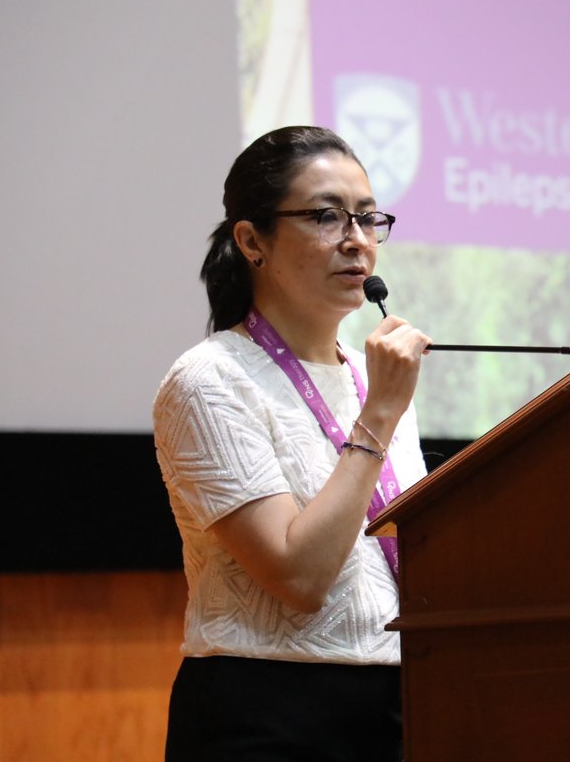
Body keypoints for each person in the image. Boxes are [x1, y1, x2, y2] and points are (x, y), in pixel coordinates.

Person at [153, 126, 431, 761]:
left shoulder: (370, 379)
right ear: (252, 241)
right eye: (327, 216)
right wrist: (380, 416)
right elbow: (299, 577)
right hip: (268, 711)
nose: (357, 240)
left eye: (367, 218)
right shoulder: (208, 379)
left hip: (401, 700)